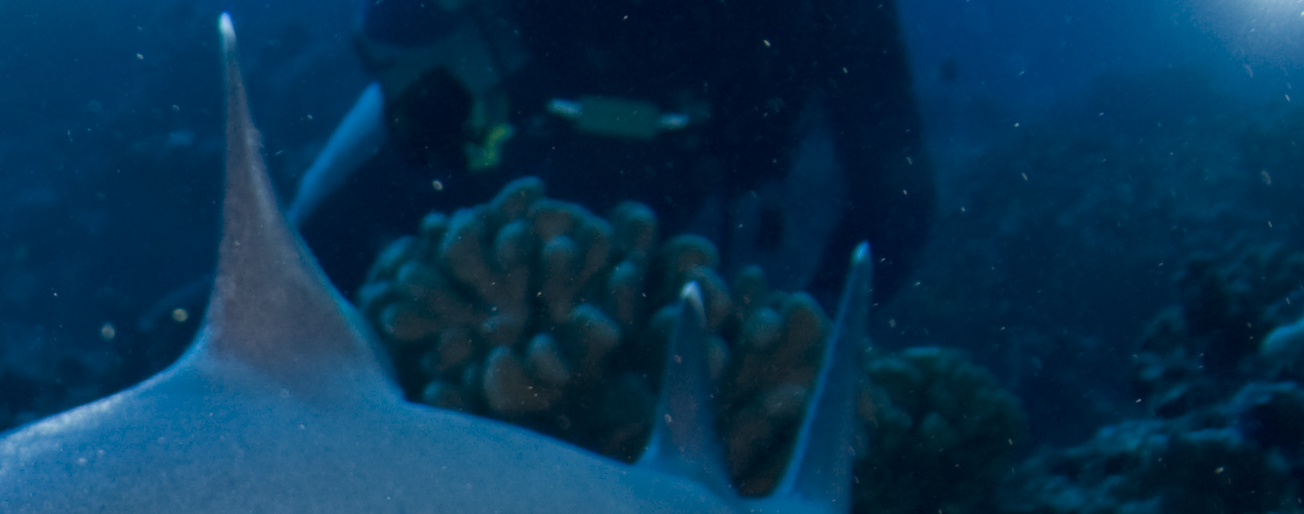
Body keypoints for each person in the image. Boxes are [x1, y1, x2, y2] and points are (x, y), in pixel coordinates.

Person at [292, 0, 934, 302]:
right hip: (522, 98)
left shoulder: (825, 21)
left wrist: (794, 360)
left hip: (668, 146)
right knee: (308, 244)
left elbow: (897, 202)